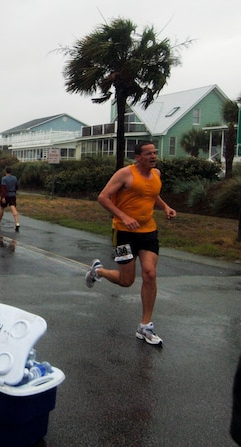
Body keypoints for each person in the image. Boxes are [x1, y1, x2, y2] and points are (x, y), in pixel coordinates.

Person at [84, 141, 176, 346]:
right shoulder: (125, 174)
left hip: (148, 231)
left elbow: (152, 195)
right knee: (126, 281)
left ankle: (145, 326)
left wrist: (166, 206)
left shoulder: (156, 175)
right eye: (149, 153)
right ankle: (98, 271)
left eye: (155, 152)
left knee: (150, 273)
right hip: (124, 233)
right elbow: (103, 197)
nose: (154, 156)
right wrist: (124, 217)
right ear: (138, 157)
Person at [0, 166, 20, 232]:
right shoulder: (15, 178)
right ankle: (17, 222)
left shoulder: (4, 179)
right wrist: (14, 191)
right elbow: (17, 186)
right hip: (12, 194)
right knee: (13, 207)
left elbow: (3, 188)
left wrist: (3, 197)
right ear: (11, 172)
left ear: (5, 171)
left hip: (6, 195)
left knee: (2, 208)